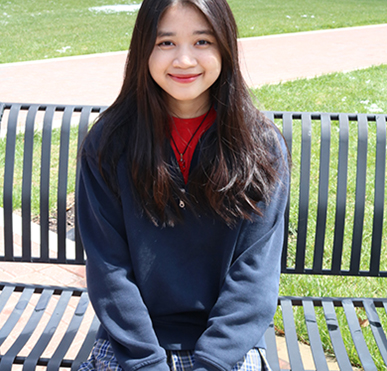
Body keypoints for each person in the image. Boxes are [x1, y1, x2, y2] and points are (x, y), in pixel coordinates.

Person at [77, 0, 289, 370]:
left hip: (225, 344)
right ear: (143, 49)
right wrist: (146, 362)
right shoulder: (109, 143)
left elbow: (254, 272)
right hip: (134, 344)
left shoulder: (260, 146)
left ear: (226, 47)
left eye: (203, 42)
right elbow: (109, 269)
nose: (185, 60)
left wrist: (213, 362)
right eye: (166, 43)